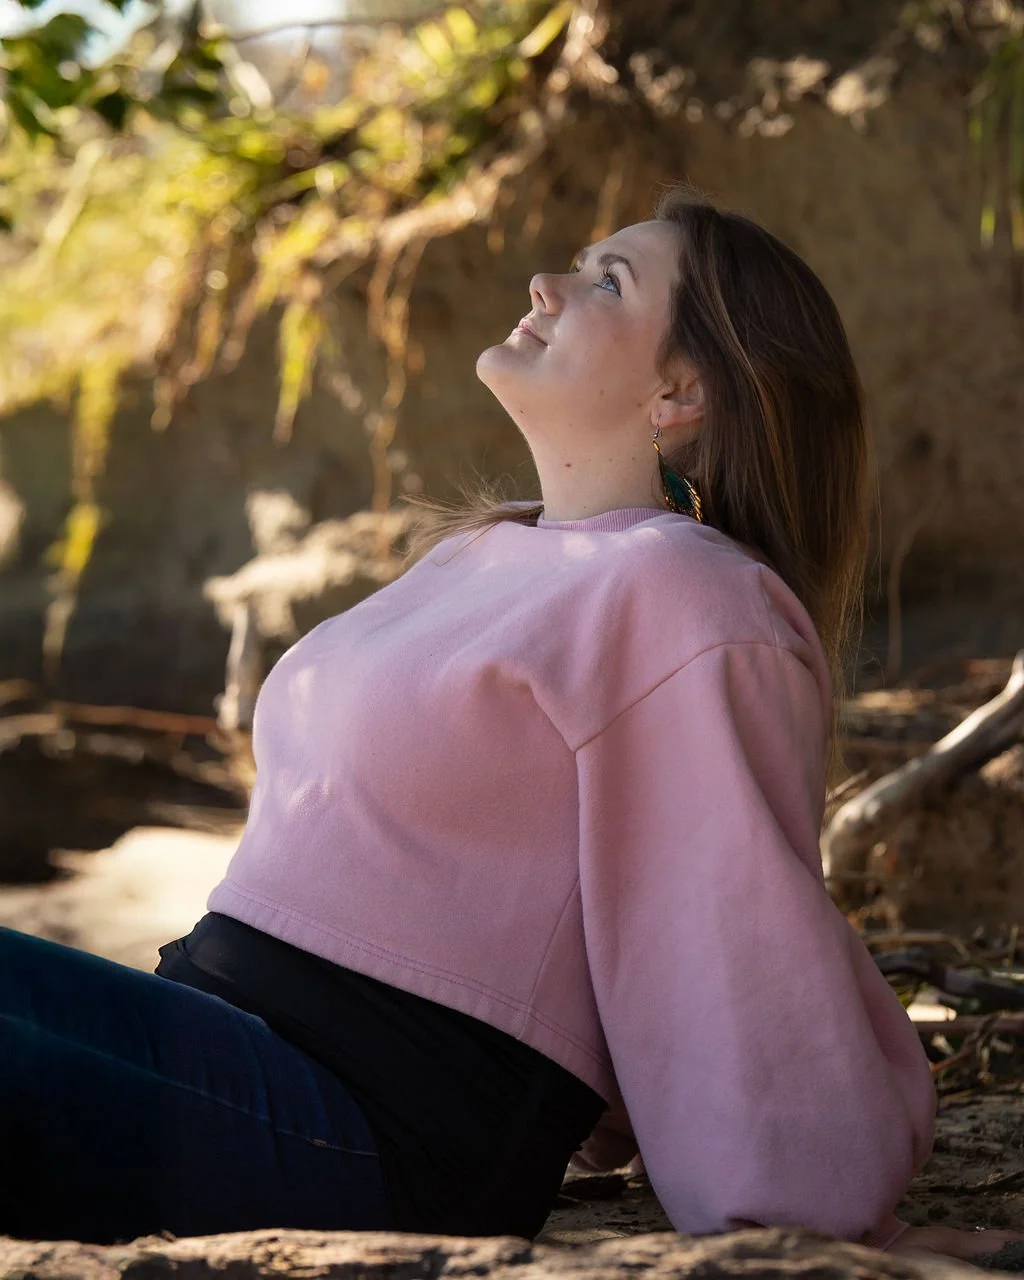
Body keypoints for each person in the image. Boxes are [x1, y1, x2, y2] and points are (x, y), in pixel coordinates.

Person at [0, 186, 1016, 1264]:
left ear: (682, 388)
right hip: (216, 1038)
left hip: (359, 1128)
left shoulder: (686, 593)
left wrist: (828, 1216)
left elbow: (731, 925)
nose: (546, 283)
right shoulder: (487, 553)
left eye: (607, 280)